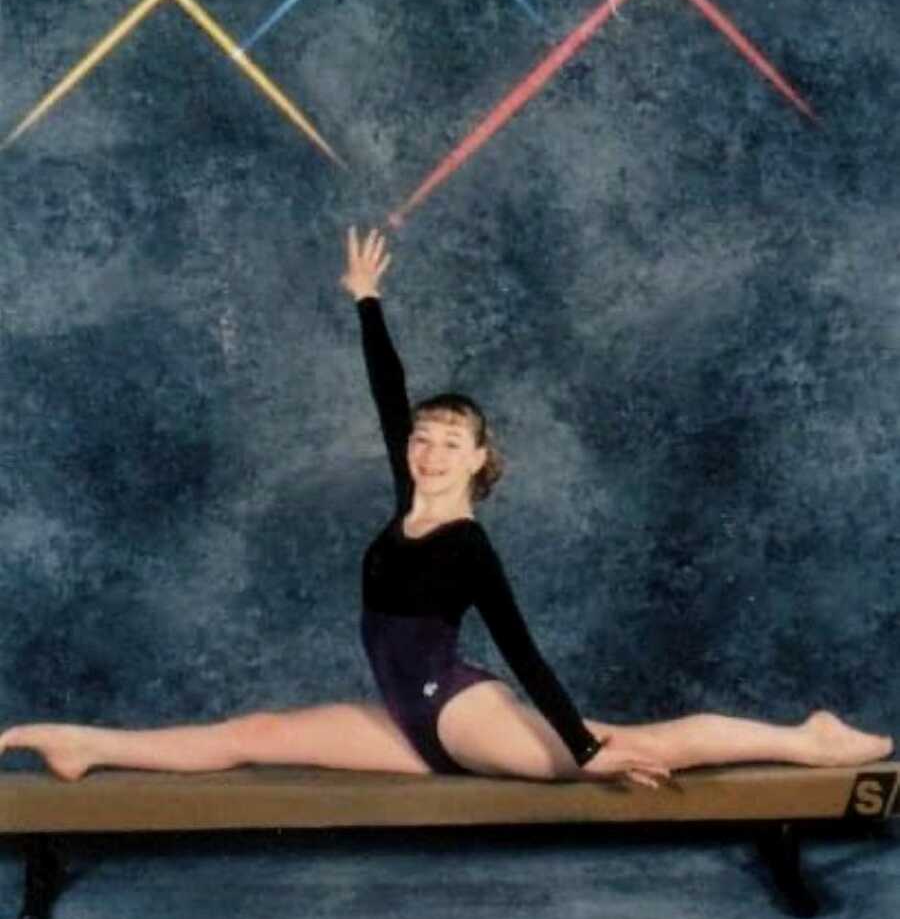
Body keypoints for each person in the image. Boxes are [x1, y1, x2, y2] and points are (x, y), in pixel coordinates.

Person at [0, 228, 893, 786]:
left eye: (448, 439)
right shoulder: (405, 501)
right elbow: (388, 391)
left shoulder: (467, 543)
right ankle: (84, 742)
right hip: (407, 717)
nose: (425, 445)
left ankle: (807, 741)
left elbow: (518, 644)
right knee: (254, 733)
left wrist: (584, 753)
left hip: (458, 710)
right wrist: (368, 302)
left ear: (480, 461)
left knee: (629, 742)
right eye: (422, 436)